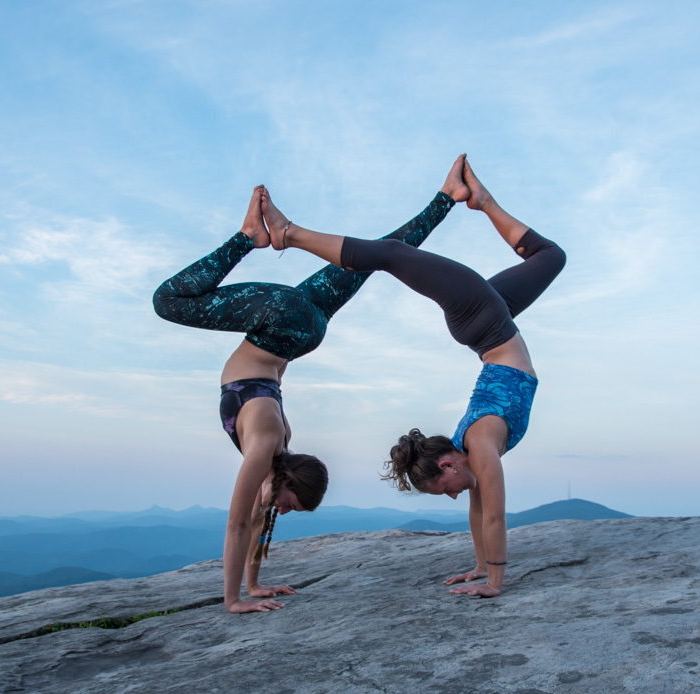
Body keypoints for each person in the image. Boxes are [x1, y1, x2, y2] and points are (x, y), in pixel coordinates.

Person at [152, 159, 469, 612]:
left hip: (303, 324)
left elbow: (255, 520)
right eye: (291, 504)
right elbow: (239, 525)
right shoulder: (265, 444)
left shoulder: (274, 450)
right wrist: (233, 600)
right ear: (289, 480)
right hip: (285, 323)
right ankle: (250, 237)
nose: (283, 509)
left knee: (381, 256)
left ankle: (447, 198)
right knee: (167, 300)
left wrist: (252, 588)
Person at [260, 155, 566, 599]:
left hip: (483, 317)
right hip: (492, 324)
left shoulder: (479, 447)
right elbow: (483, 513)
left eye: (444, 490)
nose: (455, 496)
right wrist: (481, 570)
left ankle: (287, 232)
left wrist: (494, 581)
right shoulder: (476, 450)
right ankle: (478, 200)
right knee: (551, 256)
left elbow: (492, 517)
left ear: (447, 465)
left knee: (391, 254)